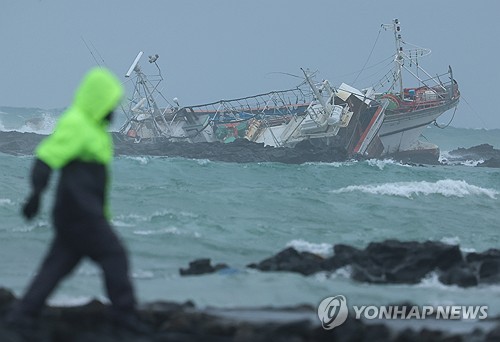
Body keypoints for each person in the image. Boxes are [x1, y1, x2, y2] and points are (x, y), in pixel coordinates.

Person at [8, 67, 143, 331]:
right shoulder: (77, 123)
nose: (113, 109)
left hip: (80, 211)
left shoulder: (96, 129)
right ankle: (124, 318)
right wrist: (36, 194)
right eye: (109, 103)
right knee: (114, 255)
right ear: (97, 100)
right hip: (80, 211)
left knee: (57, 265)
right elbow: (47, 157)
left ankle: (22, 316)